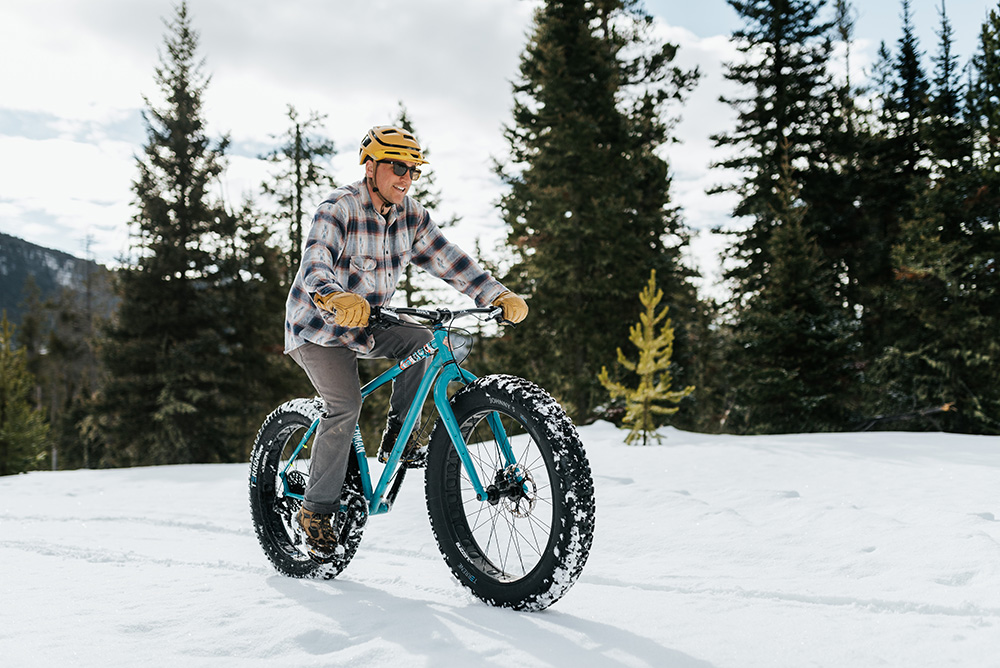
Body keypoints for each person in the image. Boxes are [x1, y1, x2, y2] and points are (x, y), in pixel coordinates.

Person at [283, 125, 528, 560]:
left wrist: (496, 293)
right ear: (371, 166)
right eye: (397, 167)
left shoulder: (411, 215)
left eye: (413, 170)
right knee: (344, 407)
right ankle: (316, 510)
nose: (406, 178)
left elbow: (448, 258)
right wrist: (334, 295)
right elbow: (315, 263)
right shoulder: (338, 208)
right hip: (317, 327)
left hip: (368, 321)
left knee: (426, 341)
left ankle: (401, 430)